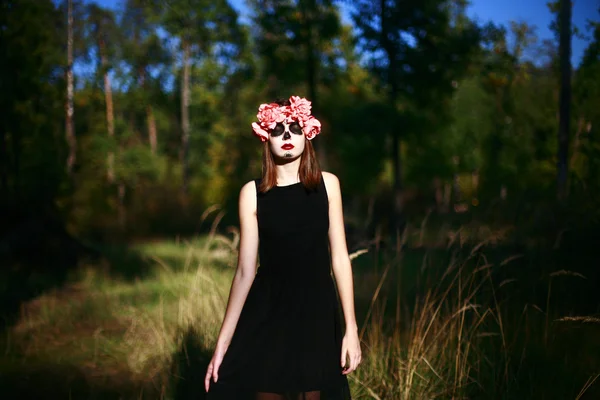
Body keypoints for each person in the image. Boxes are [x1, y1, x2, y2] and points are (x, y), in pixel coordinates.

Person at [204, 96, 361, 400]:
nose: (287, 135)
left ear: (307, 135)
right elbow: (245, 272)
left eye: (294, 128)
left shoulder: (328, 185)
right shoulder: (252, 193)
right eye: (277, 130)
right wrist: (222, 344)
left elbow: (340, 259)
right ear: (266, 139)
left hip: (315, 309)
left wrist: (351, 329)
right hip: (267, 311)